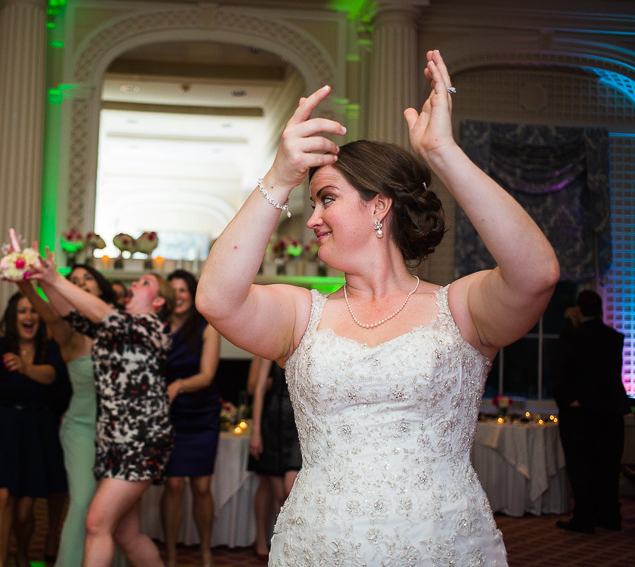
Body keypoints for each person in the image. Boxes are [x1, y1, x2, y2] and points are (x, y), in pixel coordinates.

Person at [195, 50, 560, 565]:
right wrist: (279, 177)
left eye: (326, 199)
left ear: (379, 206)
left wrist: (443, 153)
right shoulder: (302, 316)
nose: (312, 220)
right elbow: (215, 298)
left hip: (441, 543)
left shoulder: (459, 309)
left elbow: (537, 274)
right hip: (318, 543)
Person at [30, 254, 174, 567]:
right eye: (138, 279)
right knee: (127, 535)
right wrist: (44, 281)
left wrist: (57, 279)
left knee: (96, 523)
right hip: (111, 443)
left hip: (141, 443)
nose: (136, 282)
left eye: (146, 283)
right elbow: (71, 315)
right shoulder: (113, 328)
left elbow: (105, 316)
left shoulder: (154, 328)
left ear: (159, 301)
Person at [16, 265, 115, 567]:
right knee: (84, 500)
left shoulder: (120, 326)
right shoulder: (68, 331)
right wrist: (28, 287)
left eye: (87, 279)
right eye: (73, 281)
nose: (81, 283)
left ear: (100, 288)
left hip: (117, 432)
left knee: (112, 511)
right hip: (82, 428)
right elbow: (48, 315)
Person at [0, 292, 68, 567]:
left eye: (33, 311)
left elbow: (51, 375)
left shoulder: (52, 347)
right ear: (13, 318)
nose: (28, 317)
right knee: (1, 496)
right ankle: (0, 562)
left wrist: (24, 367)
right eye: (22, 311)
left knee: (24, 512)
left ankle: (22, 552)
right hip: (0, 426)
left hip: (36, 428)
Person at [551, 289, 628, 534]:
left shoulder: (571, 336)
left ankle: (584, 517)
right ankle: (608, 515)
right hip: (611, 413)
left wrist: (568, 400)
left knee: (581, 467)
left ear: (579, 309)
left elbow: (559, 373)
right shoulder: (615, 337)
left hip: (581, 414)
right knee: (608, 466)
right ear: (601, 310)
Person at [160, 269, 221, 567]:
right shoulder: (156, 327)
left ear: (192, 293)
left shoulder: (207, 327)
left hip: (202, 415)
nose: (179, 296)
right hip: (169, 416)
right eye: (173, 291)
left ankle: (206, 551)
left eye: (184, 290)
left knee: (201, 487)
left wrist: (177, 386)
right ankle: (170, 555)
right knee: (172, 486)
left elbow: (207, 375)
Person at [246, 357, 300, 561]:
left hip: (298, 426)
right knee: (278, 492)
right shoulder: (273, 344)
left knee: (288, 491)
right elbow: (257, 388)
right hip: (275, 423)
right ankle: (280, 550)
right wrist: (256, 431)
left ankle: (288, 548)